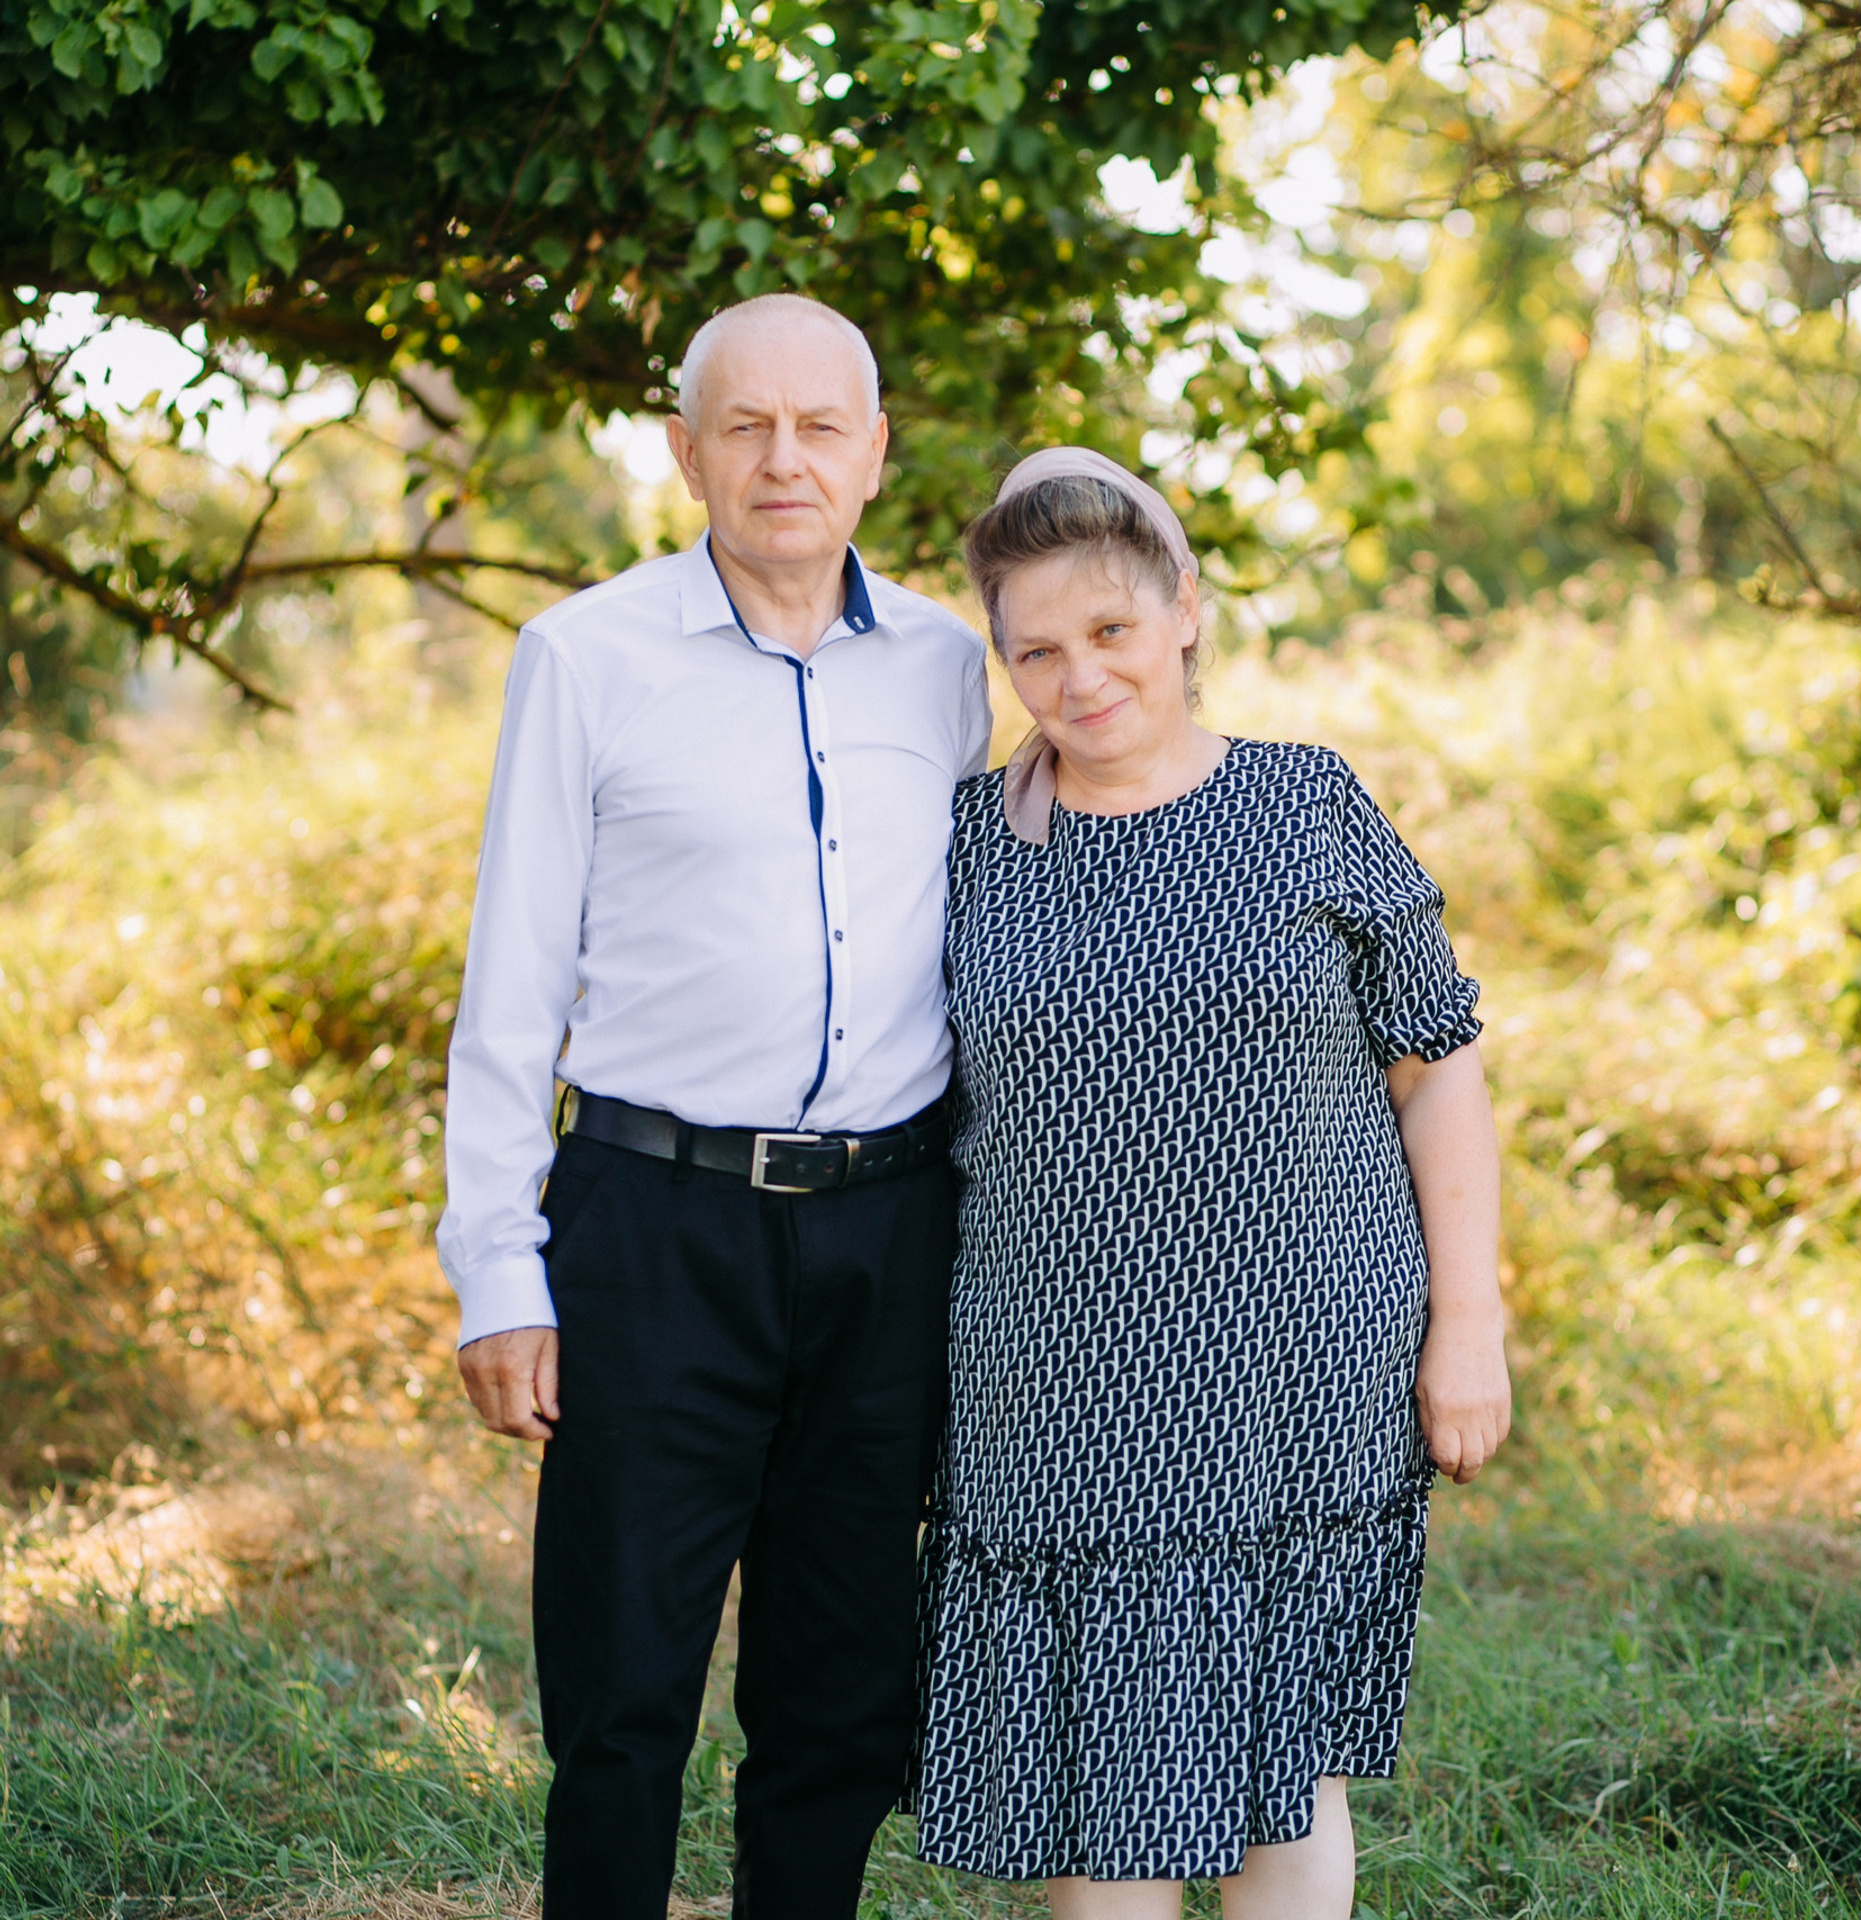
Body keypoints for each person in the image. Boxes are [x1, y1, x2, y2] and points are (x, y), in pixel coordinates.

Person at [437, 293, 991, 1920]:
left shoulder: (949, 669)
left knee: (840, 1694)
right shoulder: (586, 656)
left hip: (892, 1231)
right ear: (687, 453)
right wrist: (498, 1272)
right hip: (653, 1228)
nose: (783, 460)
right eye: (745, 426)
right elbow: (511, 988)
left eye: (821, 427)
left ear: (876, 454)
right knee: (622, 1695)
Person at [908, 449, 1510, 1918]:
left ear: (1184, 608)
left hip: (1299, 1378)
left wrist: (1470, 1324)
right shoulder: (968, 845)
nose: (1080, 677)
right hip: (1055, 1394)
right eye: (1036, 650)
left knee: (1283, 1784)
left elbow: (1437, 1068)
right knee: (1107, 1804)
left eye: (1110, 629)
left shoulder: (1307, 804)